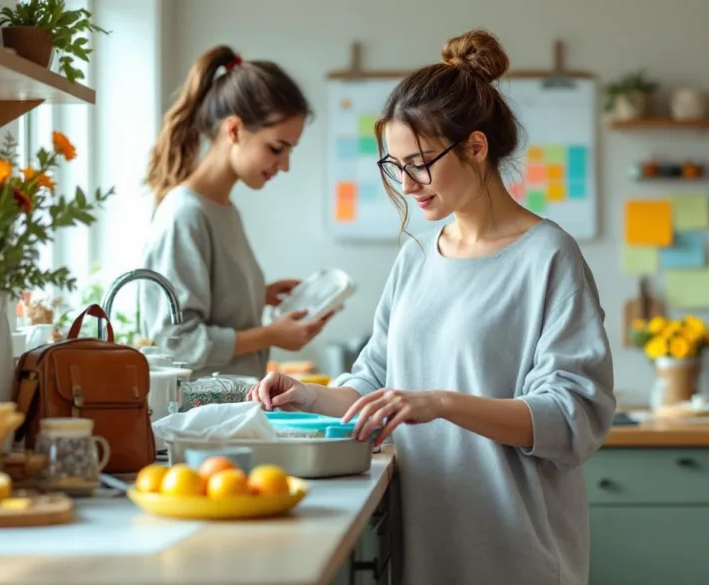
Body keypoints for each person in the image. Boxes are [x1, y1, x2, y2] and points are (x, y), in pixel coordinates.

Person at [248, 29, 615, 585]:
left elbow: (574, 418)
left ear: (475, 147)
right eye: (394, 166)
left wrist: (441, 402)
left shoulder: (548, 257)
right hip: (426, 552)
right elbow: (376, 382)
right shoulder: (417, 255)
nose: (407, 184)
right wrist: (309, 395)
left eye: (419, 163)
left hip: (517, 555)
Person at [139, 45, 335, 380]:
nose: (284, 165)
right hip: (202, 419)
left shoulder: (224, 211)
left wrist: (256, 296)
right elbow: (174, 342)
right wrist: (271, 335)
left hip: (229, 411)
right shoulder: (185, 215)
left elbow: (207, 306)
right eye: (277, 148)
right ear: (234, 130)